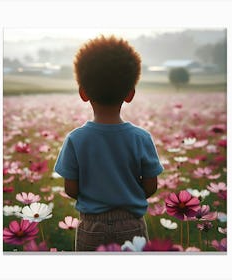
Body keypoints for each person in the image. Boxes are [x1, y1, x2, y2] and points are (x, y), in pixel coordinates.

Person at [54, 35, 163, 251]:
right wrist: (126, 194)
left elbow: (71, 188)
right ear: (130, 94)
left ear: (83, 93)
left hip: (91, 226)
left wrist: (97, 195)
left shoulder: (75, 139)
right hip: (131, 225)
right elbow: (150, 186)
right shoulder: (141, 138)